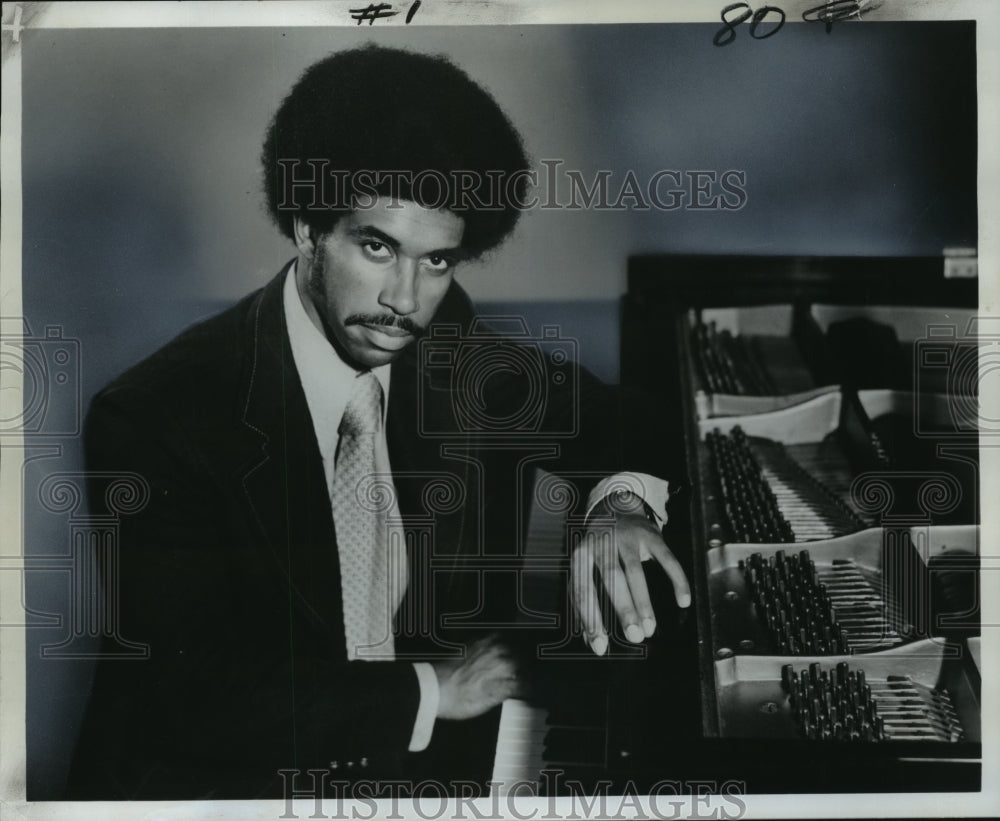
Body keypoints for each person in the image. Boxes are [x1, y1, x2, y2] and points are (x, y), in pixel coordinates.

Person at [64, 44, 690, 800]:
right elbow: (191, 696)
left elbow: (626, 417)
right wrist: (432, 692)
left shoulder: (441, 340)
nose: (405, 298)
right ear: (305, 228)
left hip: (398, 770)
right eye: (377, 246)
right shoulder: (158, 418)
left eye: (437, 261)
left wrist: (616, 506)